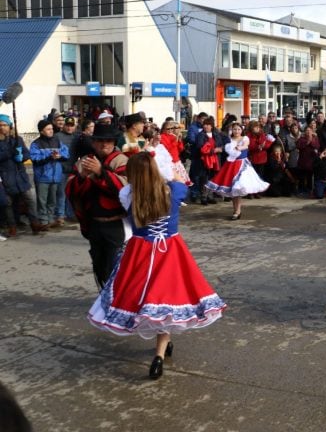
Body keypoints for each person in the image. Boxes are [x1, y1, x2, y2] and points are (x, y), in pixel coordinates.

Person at [87, 152, 226, 379]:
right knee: (165, 299)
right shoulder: (173, 191)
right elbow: (181, 180)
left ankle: (163, 346)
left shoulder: (128, 195)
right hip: (169, 250)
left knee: (146, 298)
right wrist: (163, 166)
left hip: (140, 251)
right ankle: (159, 354)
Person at [66, 123, 129, 287]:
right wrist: (81, 178)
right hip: (94, 223)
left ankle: (117, 302)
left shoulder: (122, 160)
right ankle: (104, 300)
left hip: (116, 224)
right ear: (93, 143)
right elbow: (71, 192)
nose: (104, 144)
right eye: (100, 140)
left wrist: (101, 173)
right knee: (99, 265)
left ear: (114, 142)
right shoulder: (84, 162)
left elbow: (125, 190)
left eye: (108, 141)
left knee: (116, 266)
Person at [205, 122, 269, 219]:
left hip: (242, 166)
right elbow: (225, 148)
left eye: (238, 129)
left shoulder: (245, 138)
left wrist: (239, 147)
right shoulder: (229, 140)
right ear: (232, 130)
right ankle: (236, 211)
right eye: (235, 129)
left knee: (238, 189)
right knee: (233, 191)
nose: (237, 131)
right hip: (230, 165)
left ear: (242, 130)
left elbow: (246, 146)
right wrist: (218, 149)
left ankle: (237, 211)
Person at [0, 114, 45, 237]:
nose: (2, 128)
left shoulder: (17, 139)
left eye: (4, 125)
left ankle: (35, 224)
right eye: (0, 125)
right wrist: (10, 153)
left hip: (21, 177)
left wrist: (21, 156)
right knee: (9, 204)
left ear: (9, 126)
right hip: (6, 177)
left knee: (30, 200)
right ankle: (12, 227)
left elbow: (27, 154)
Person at [30, 119, 69, 229]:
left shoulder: (57, 141)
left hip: (55, 176)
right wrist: (49, 157)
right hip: (42, 177)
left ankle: (50, 219)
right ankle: (43, 220)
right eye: (48, 129)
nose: (51, 131)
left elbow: (66, 154)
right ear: (41, 131)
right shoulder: (36, 143)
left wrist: (60, 156)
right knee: (42, 201)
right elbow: (35, 159)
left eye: (51, 128)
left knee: (52, 200)